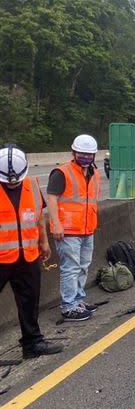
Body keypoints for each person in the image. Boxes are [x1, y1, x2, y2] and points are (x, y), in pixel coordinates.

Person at [0, 145, 63, 358]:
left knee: (29, 301)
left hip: (27, 256)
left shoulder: (32, 184)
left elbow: (38, 217)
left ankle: (32, 344)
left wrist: (44, 242)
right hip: (1, 259)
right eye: (8, 181)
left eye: (16, 179)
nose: (13, 183)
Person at [46, 134, 100, 322]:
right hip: (67, 231)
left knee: (83, 266)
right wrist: (57, 224)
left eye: (89, 154)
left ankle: (78, 301)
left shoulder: (94, 173)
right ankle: (68, 306)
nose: (86, 157)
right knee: (71, 268)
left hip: (87, 229)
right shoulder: (62, 172)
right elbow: (51, 198)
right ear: (73, 152)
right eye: (82, 154)